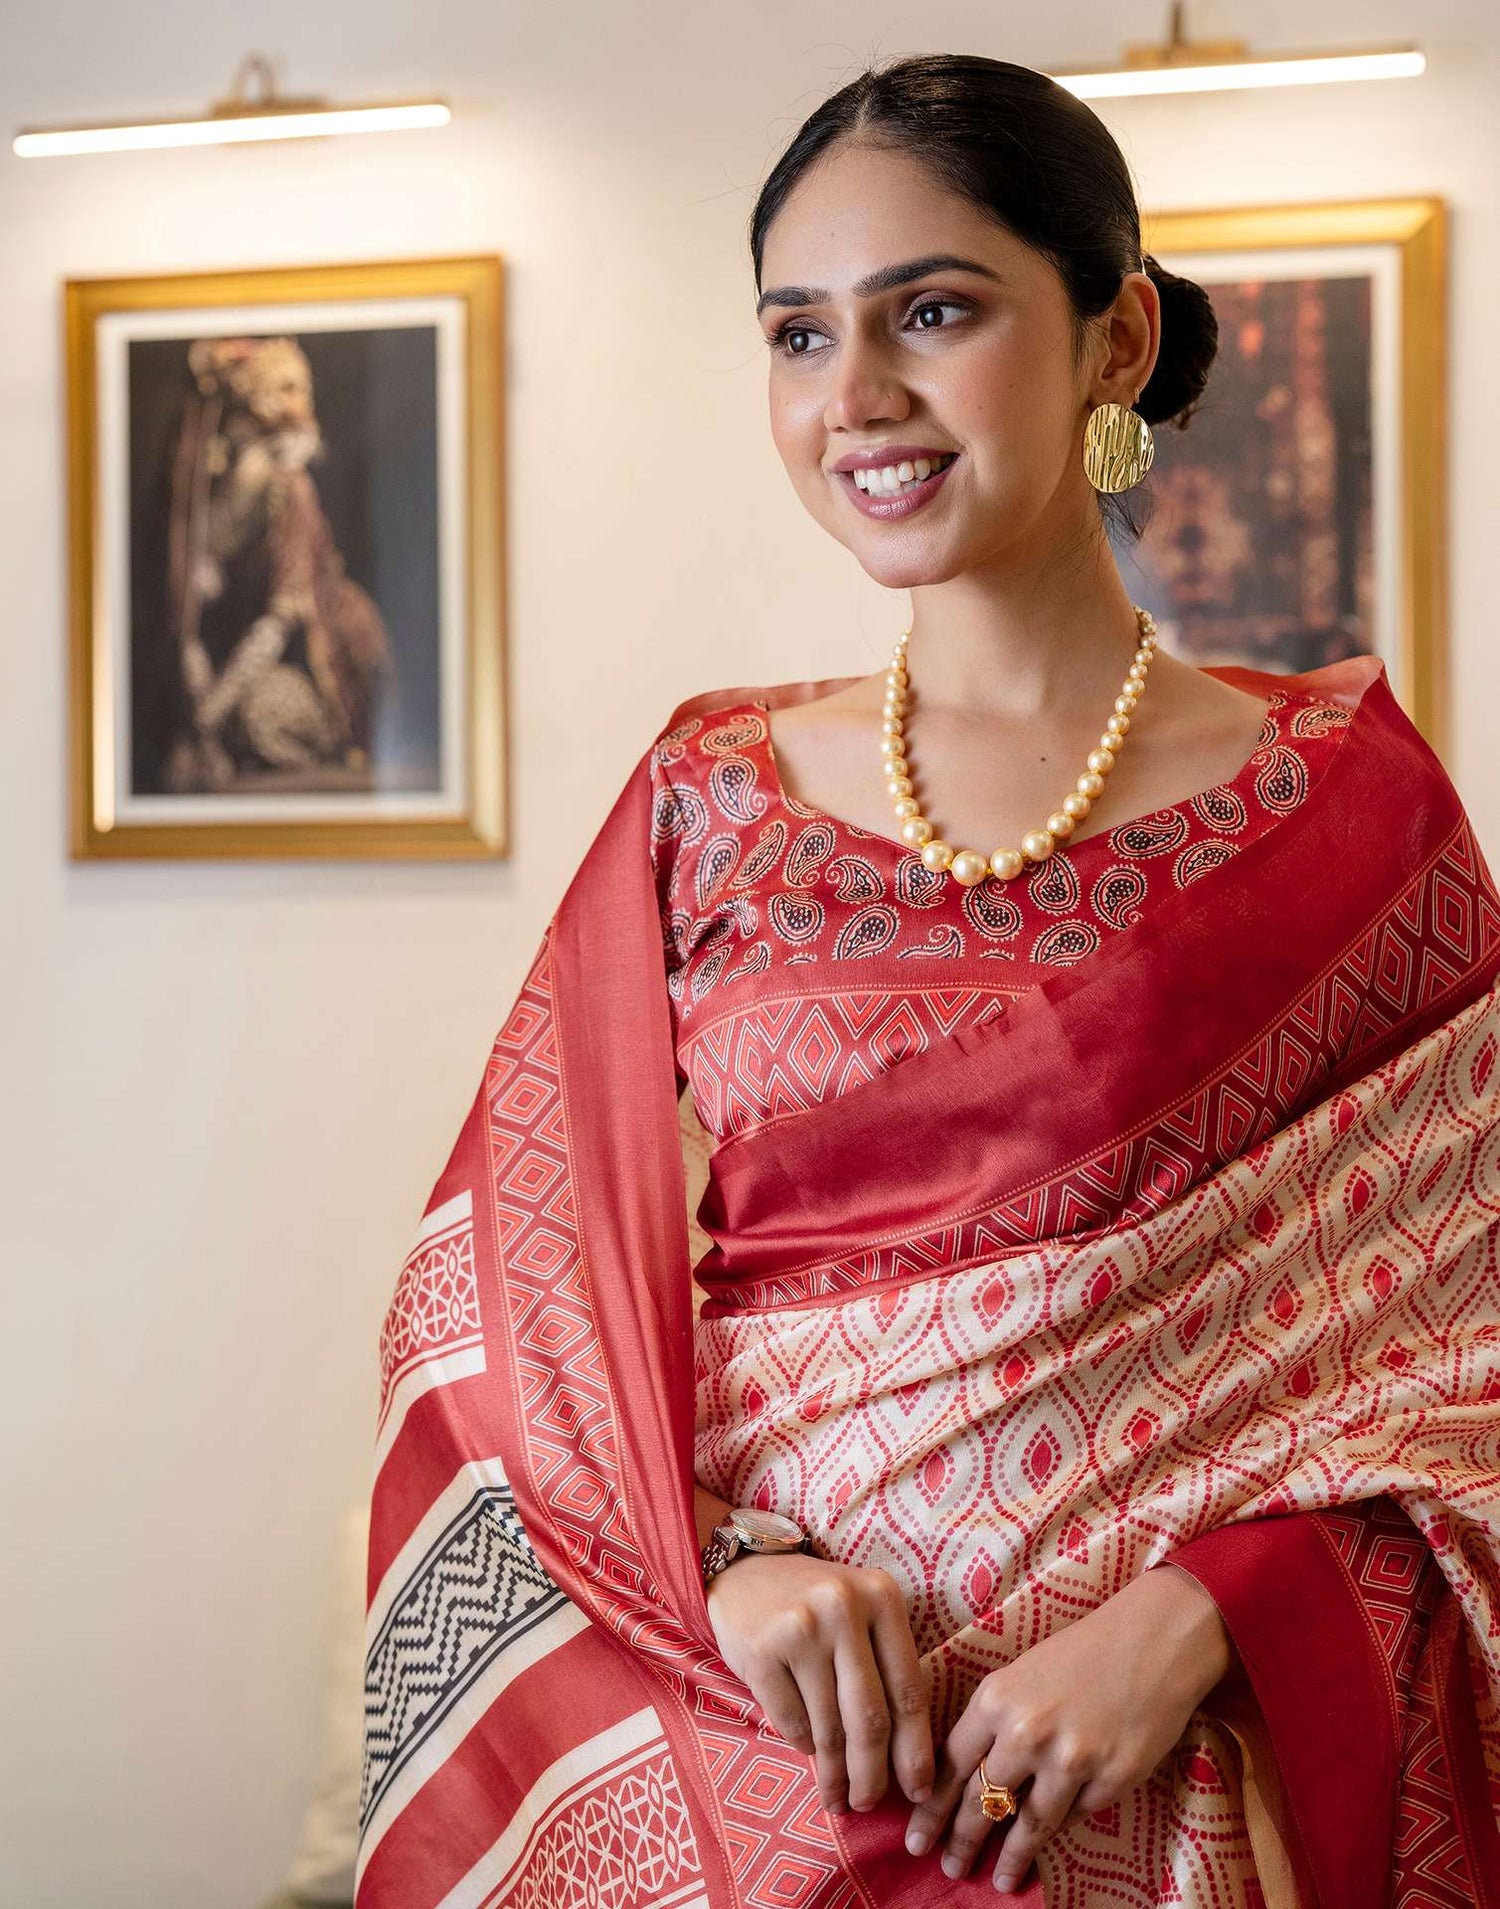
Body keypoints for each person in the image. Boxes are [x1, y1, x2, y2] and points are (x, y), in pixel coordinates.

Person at [355, 54, 1500, 1909]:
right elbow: (490, 1327)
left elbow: (1468, 1361)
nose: (857, 399)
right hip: (766, 1789)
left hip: (1188, 1806)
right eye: (798, 337)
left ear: (1116, 337)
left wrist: (1219, 1607)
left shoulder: (1345, 813)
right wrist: (727, 1570)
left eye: (935, 313)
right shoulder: (705, 800)